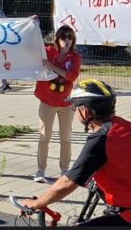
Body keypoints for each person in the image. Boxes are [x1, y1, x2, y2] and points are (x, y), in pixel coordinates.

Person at [22, 79, 131, 226]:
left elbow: (67, 183)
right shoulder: (125, 127)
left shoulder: (102, 138)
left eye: (74, 107)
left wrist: (36, 203)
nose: (74, 111)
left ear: (84, 111)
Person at [33, 24, 82, 183]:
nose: (67, 40)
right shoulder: (49, 51)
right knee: (44, 137)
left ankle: (65, 171)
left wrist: (52, 67)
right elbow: (35, 43)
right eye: (63, 37)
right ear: (57, 39)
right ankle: (40, 170)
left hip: (66, 104)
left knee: (65, 138)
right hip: (47, 101)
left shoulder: (74, 57)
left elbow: (71, 76)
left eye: (70, 37)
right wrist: (35, 24)